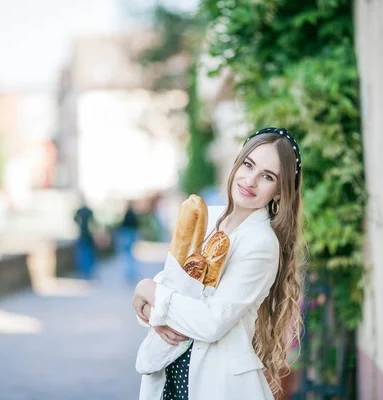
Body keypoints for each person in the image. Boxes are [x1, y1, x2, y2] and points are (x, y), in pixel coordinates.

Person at [132, 127, 305, 399]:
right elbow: (171, 286)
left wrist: (147, 288)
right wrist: (156, 303)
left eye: (267, 176)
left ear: (279, 192)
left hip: (218, 383)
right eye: (248, 165)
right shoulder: (205, 218)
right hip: (170, 376)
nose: (251, 180)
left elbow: (211, 322)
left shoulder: (261, 243)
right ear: (237, 164)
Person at [117, 201, 140, 284]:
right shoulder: (133, 215)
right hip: (132, 234)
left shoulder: (127, 214)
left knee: (128, 254)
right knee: (131, 254)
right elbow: (137, 225)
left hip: (127, 234)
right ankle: (132, 272)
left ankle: (129, 272)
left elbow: (123, 225)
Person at [73, 201, 97, 279]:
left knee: (82, 254)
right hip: (88, 236)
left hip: (82, 235)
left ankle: (84, 271)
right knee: (88, 253)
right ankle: (88, 271)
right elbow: (93, 223)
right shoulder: (89, 211)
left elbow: (75, 219)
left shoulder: (79, 211)